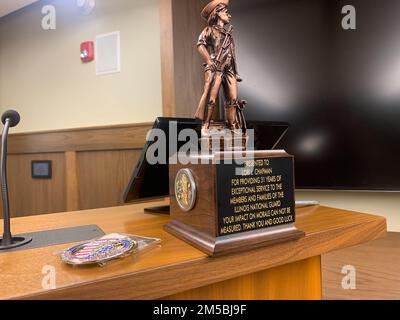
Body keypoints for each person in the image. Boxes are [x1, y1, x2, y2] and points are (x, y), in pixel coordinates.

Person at [194, 0, 244, 132]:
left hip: (229, 70)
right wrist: (209, 61)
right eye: (226, 12)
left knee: (232, 99)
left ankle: (232, 124)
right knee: (211, 98)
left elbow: (232, 55)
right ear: (217, 13)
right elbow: (200, 45)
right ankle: (206, 124)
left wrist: (235, 71)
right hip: (215, 67)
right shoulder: (208, 30)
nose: (230, 15)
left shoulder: (229, 35)